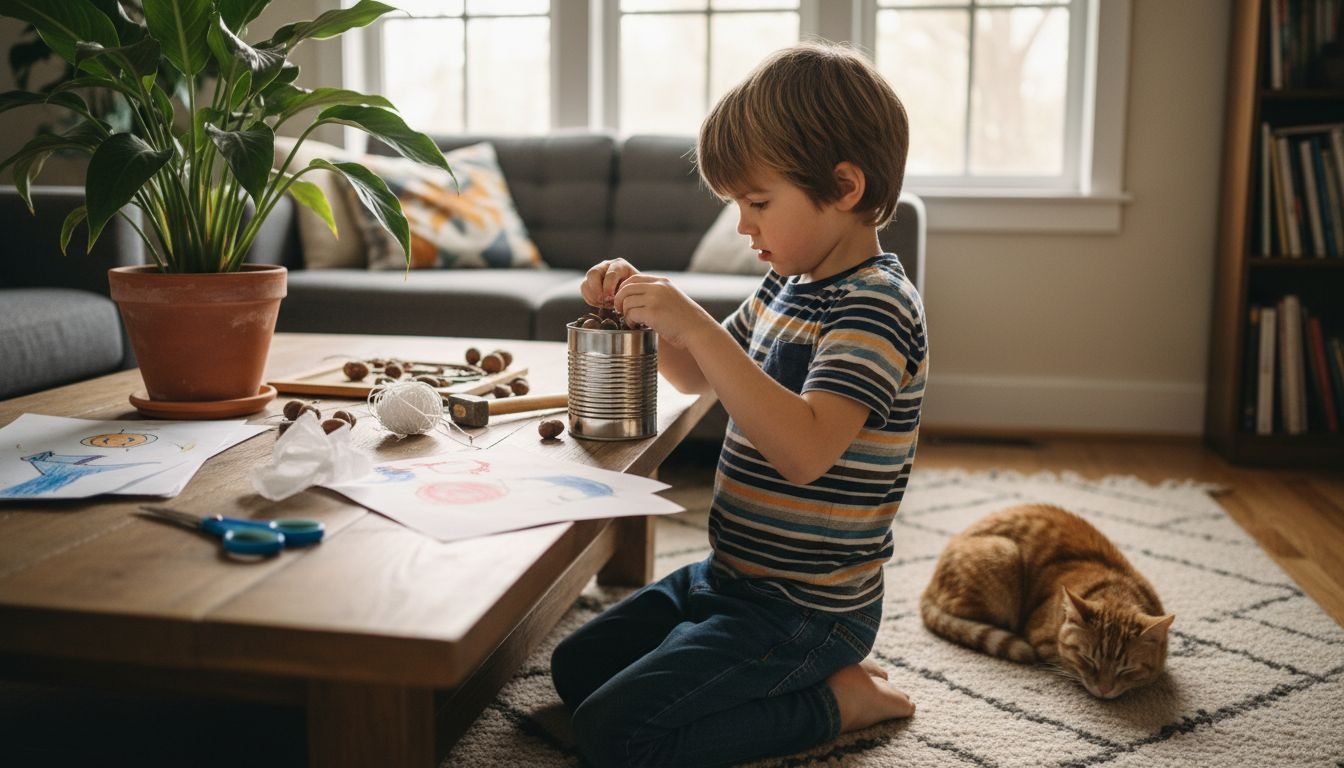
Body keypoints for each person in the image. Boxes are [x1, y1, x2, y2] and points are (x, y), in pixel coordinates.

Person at [550, 40, 928, 767]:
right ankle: (758, 674)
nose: (743, 226)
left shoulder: (876, 307)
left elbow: (806, 449)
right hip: (729, 577)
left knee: (614, 735)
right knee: (575, 673)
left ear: (845, 188)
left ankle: (834, 700)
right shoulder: (789, 286)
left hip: (809, 609)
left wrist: (692, 319)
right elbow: (698, 377)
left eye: (758, 203)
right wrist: (647, 305)